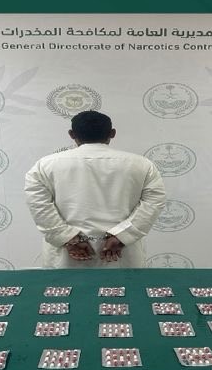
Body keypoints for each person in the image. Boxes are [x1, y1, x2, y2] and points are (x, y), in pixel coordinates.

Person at [24, 111, 167, 268]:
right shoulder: (142, 165)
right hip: (121, 254)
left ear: (71, 134)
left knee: (67, 285)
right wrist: (122, 236)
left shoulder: (44, 166)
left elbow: (39, 207)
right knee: (123, 285)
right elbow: (153, 203)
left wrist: (69, 238)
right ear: (112, 133)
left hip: (67, 255)